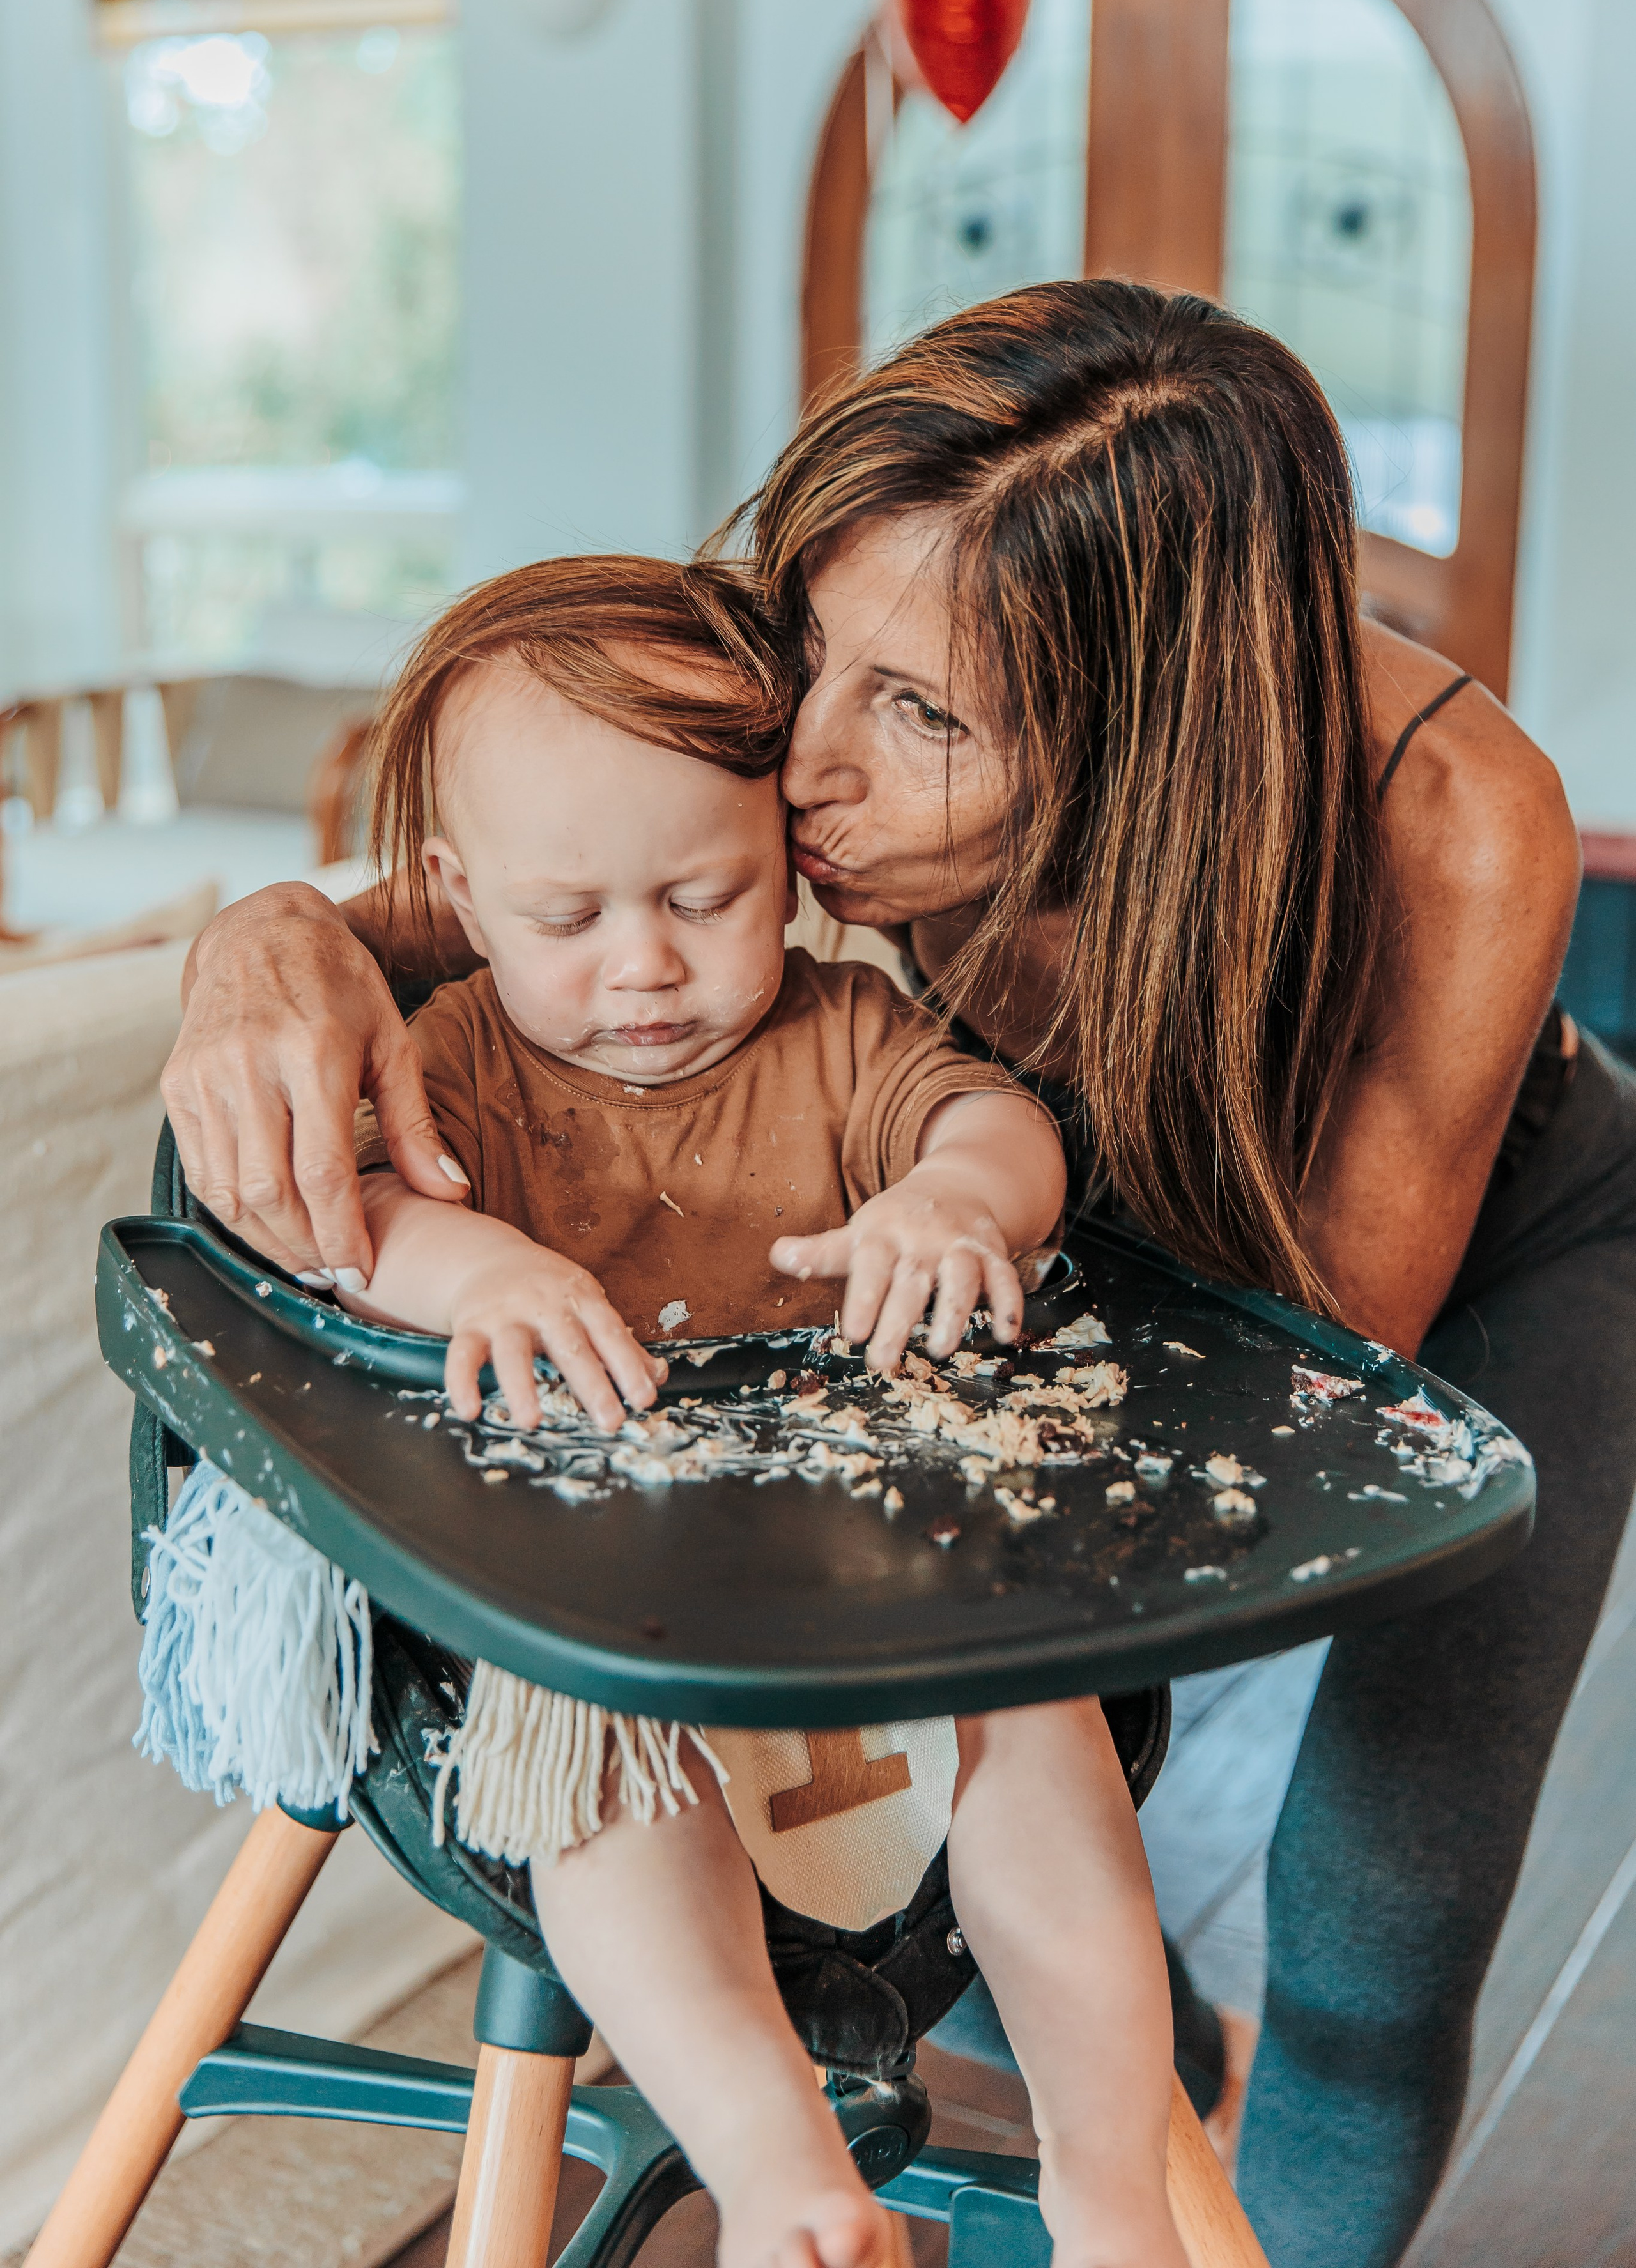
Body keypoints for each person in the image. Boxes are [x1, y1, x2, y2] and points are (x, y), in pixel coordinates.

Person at [161, 281, 1636, 2268]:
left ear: (1154, 741)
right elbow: (517, 877)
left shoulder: (1457, 825)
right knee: (942, 1842)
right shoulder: (842, 695)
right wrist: (267, 931)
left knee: (1381, 1935)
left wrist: (954, 1231)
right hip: (981, 1210)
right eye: (805, 651)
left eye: (922, 717)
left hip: (1408, 1271)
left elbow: (1293, 1361)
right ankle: (1145, 2070)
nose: (800, 774)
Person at [297, 549, 1187, 2268]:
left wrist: (955, 1201)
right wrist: (476, 1272)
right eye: (569, 920)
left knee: (1044, 1738)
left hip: (875, 1577)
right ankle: (775, 2164)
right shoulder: (460, 1056)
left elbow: (998, 1131)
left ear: (788, 861)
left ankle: (1112, 2175)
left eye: (704, 899)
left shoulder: (846, 1030)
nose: (643, 966)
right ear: (459, 898)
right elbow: (355, 1221)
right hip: (599, 1607)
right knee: (608, 1800)